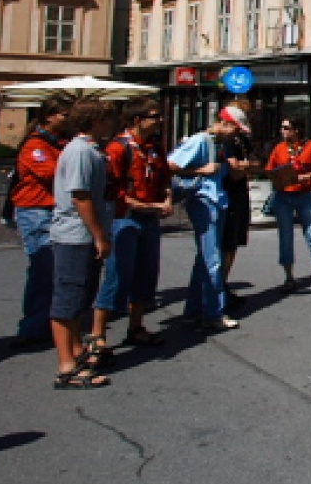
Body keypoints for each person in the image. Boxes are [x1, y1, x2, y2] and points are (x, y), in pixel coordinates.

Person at [93, 97, 171, 351]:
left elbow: (165, 177)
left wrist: (167, 197)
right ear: (137, 120)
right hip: (124, 219)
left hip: (149, 219)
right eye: (153, 116)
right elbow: (113, 192)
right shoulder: (118, 148)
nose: (159, 120)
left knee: (146, 274)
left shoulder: (155, 147)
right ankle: (98, 335)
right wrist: (150, 206)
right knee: (117, 276)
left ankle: (135, 327)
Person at [48, 100, 117, 389]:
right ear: (95, 120)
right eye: (109, 119)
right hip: (75, 234)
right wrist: (99, 234)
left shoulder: (90, 150)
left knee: (80, 297)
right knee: (68, 298)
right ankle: (66, 366)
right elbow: (81, 196)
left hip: (83, 235)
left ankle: (76, 351)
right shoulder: (79, 151)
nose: (113, 124)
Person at [168, 108, 243, 331]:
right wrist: (202, 169)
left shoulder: (218, 143)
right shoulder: (201, 140)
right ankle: (214, 313)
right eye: (235, 129)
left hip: (215, 201)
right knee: (213, 259)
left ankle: (192, 311)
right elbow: (171, 164)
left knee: (205, 259)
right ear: (224, 123)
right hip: (204, 201)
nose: (235, 135)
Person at [11, 97, 69, 346]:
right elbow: (52, 172)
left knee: (54, 269)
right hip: (36, 209)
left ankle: (47, 321)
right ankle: (33, 327)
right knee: (43, 268)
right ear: (50, 117)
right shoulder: (36, 145)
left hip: (52, 209)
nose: (69, 119)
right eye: (65, 114)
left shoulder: (60, 143)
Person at [266, 117, 311, 292]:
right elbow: (270, 170)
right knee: (286, 236)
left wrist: (303, 178)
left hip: (304, 195)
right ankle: (289, 277)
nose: (282, 131)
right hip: (283, 196)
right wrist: (278, 177)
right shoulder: (279, 148)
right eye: (282, 128)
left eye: (286, 128)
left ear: (296, 130)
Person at [215, 105, 255, 312]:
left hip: (240, 195)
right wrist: (245, 166)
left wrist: (245, 166)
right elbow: (233, 170)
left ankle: (223, 286)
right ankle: (218, 289)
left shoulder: (242, 139)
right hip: (229, 196)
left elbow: (250, 165)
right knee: (227, 245)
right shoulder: (227, 141)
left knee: (234, 244)